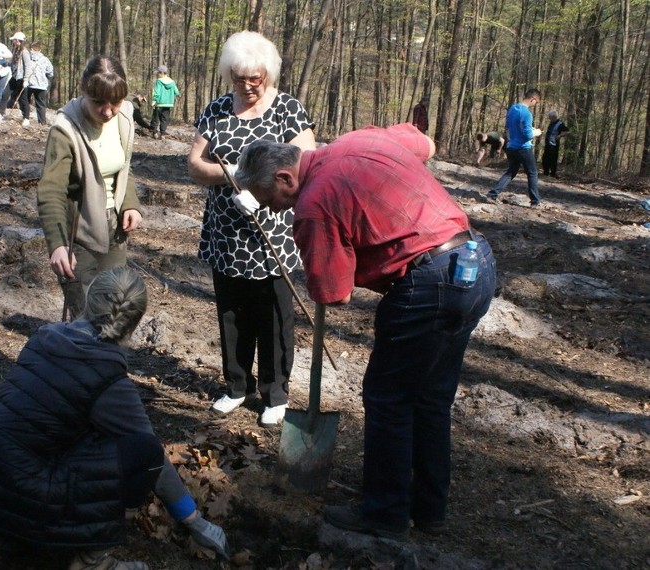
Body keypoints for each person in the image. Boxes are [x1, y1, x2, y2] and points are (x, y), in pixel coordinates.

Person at [235, 122, 496, 540]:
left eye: (273, 200)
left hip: (428, 283)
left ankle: (385, 514)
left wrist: (327, 251)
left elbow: (335, 294)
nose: (277, 212)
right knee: (430, 398)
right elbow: (423, 143)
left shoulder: (313, 204)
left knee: (388, 399)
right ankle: (429, 509)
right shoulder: (359, 139)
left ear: (286, 177)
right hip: (475, 261)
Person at [0, 267, 229, 569]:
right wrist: (193, 519)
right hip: (21, 496)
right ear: (135, 322)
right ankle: (92, 561)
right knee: (143, 451)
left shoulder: (44, 338)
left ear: (88, 300)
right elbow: (154, 459)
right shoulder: (108, 379)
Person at [186, 30, 316, 427]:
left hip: (274, 232)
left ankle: (275, 392)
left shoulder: (287, 110)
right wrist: (235, 181)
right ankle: (236, 386)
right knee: (232, 312)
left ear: (269, 75)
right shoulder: (218, 109)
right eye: (240, 79)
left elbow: (308, 163)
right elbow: (196, 165)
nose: (247, 86)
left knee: (274, 316)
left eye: (255, 79)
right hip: (227, 233)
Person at [37, 56, 143, 320]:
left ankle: (109, 361)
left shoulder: (125, 117)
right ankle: (80, 359)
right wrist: (58, 244)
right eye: (98, 102)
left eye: (115, 103)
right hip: (78, 232)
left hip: (115, 229)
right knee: (85, 315)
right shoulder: (65, 130)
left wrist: (130, 203)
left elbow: (123, 166)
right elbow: (51, 190)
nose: (107, 111)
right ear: (84, 91)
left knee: (113, 308)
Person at [487, 88, 543, 206]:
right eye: (536, 102)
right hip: (523, 148)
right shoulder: (527, 113)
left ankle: (493, 194)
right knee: (532, 173)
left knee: (511, 172)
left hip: (511, 146)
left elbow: (510, 126)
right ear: (533, 99)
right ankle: (535, 201)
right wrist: (536, 132)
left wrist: (527, 130)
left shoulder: (512, 108)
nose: (535, 105)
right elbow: (527, 135)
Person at [0, 31, 32, 127]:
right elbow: (14, 64)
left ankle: (26, 118)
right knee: (5, 94)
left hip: (21, 79)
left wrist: (26, 79)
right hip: (14, 77)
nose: (13, 42)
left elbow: (28, 66)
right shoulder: (16, 50)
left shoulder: (25, 52)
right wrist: (6, 64)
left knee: (23, 99)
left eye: (14, 40)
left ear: (18, 41)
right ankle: (1, 113)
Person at [27, 41, 53, 126]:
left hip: (29, 84)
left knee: (26, 102)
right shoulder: (45, 60)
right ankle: (42, 123)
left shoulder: (27, 58)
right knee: (41, 105)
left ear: (31, 49)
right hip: (41, 86)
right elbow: (50, 72)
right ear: (40, 49)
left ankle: (26, 119)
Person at [150, 65, 179, 139]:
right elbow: (177, 92)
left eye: (158, 73)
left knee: (156, 118)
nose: (157, 74)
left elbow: (157, 92)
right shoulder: (172, 82)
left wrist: (154, 101)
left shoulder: (159, 81)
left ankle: (155, 132)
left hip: (159, 103)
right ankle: (162, 134)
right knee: (164, 119)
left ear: (162, 73)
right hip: (168, 104)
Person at [541, 110, 568, 178]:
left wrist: (559, 136)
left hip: (554, 145)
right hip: (548, 144)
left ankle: (553, 173)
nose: (549, 118)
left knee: (553, 159)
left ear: (554, 117)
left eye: (550, 117)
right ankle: (546, 172)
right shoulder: (551, 123)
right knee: (545, 158)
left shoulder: (560, 124)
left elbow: (567, 131)